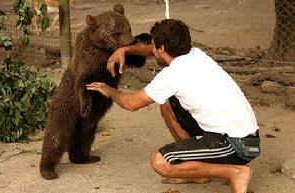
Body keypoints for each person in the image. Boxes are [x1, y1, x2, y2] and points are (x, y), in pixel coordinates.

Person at [86, 19, 260, 193]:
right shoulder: (195, 54)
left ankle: (234, 172)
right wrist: (124, 49)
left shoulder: (172, 76)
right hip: (247, 137)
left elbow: (131, 103)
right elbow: (150, 49)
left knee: (161, 162)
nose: (152, 50)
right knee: (167, 104)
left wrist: (109, 90)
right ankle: (199, 173)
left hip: (236, 145)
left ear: (161, 48)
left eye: (154, 46)